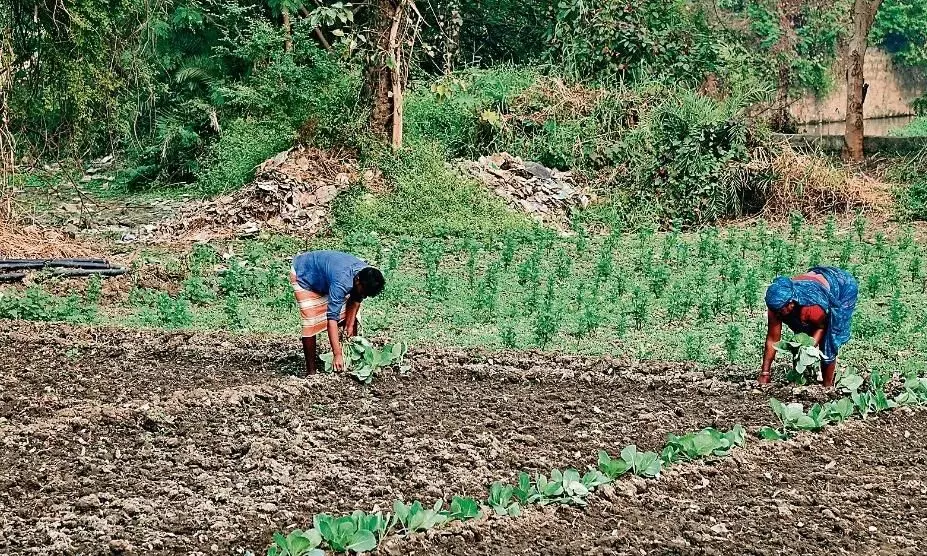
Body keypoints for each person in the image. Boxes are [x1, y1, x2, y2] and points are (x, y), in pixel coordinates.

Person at [759, 266, 858, 387]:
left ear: (791, 304)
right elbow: (772, 339)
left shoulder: (811, 308)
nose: (776, 314)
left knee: (829, 341)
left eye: (779, 311)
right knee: (800, 334)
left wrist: (808, 348)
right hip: (817, 281)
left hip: (843, 287)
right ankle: (801, 378)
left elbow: (821, 327)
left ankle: (827, 386)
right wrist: (765, 373)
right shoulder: (776, 305)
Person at [290, 250, 385, 375]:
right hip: (305, 274)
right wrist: (337, 354)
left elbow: (356, 299)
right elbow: (332, 319)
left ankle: (349, 361)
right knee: (311, 321)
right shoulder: (341, 283)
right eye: (364, 292)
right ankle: (311, 372)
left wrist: (350, 325)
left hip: (327, 277)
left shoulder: (365, 275)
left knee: (350, 316)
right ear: (357, 280)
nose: (364, 296)